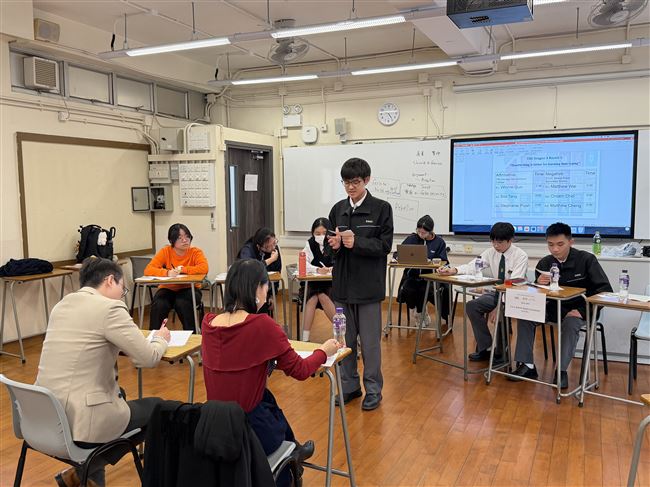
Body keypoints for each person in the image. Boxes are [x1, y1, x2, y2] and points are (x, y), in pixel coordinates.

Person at [201, 259, 341, 487]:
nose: (267, 294)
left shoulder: (208, 323)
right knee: (265, 402)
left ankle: (293, 449)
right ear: (257, 288)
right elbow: (301, 370)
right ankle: (290, 460)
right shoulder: (262, 325)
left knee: (266, 397)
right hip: (251, 431)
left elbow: (237, 362)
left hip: (213, 426)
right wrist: (323, 351)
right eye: (266, 287)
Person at [35, 257, 170, 487]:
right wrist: (161, 338)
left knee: (120, 395)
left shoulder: (63, 304)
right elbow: (147, 358)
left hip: (44, 417)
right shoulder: (110, 308)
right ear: (109, 280)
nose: (122, 295)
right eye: (122, 288)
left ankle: (84, 477)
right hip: (78, 420)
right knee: (159, 409)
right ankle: (84, 473)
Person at [326, 157, 393, 411]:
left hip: (368, 289)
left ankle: (373, 390)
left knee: (370, 344)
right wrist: (333, 245)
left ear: (367, 180)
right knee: (344, 342)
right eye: (346, 182)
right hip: (342, 288)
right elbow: (329, 249)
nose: (350, 187)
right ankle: (349, 386)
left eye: (355, 182)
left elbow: (384, 246)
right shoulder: (338, 209)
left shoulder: (381, 208)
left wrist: (357, 243)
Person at [510, 222, 612, 389]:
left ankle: (561, 371)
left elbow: (605, 291)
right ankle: (527, 365)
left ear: (571, 242)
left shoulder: (587, 260)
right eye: (550, 245)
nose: (555, 249)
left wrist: (583, 311)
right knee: (525, 315)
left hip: (579, 310)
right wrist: (538, 283)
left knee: (570, 323)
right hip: (552, 308)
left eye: (560, 244)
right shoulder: (544, 263)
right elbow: (537, 295)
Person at [438, 222, 528, 361]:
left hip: (513, 295)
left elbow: (514, 285)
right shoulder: (490, 252)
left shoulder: (520, 256)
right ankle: (485, 347)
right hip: (496, 293)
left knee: (501, 312)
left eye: (500, 242)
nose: (495, 245)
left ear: (510, 240)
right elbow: (473, 266)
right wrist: (453, 270)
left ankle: (501, 354)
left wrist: (499, 305)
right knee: (472, 306)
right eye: (493, 241)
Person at [144, 223, 208, 331]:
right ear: (171, 240)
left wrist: (182, 269)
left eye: (187, 236)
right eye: (180, 238)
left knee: (183, 303)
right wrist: (167, 273)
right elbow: (148, 269)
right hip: (168, 289)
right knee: (159, 303)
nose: (185, 240)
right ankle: (155, 336)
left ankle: (192, 335)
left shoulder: (195, 252)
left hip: (190, 288)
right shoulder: (165, 251)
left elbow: (204, 268)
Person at [395, 215, 449, 326]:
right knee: (407, 289)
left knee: (423, 291)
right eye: (418, 231)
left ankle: (420, 313)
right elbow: (398, 252)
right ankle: (418, 312)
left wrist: (432, 262)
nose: (420, 234)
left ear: (430, 231)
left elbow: (444, 261)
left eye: (423, 233)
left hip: (430, 278)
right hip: (412, 276)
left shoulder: (439, 242)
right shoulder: (412, 239)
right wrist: (396, 257)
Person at [299, 217, 336, 342]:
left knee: (323, 296)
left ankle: (342, 332)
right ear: (313, 233)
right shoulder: (310, 244)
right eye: (317, 233)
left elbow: (342, 263)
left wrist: (331, 269)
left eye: (324, 233)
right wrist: (317, 270)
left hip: (331, 283)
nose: (321, 236)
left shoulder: (334, 243)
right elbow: (303, 263)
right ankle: (305, 339)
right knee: (312, 298)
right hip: (313, 282)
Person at [237, 227, 282, 315]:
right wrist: (270, 260)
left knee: (264, 306)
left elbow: (277, 272)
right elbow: (249, 269)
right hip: (247, 290)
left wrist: (272, 295)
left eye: (274, 242)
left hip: (263, 289)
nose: (273, 247)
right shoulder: (247, 250)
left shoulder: (274, 250)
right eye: (269, 246)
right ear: (259, 246)